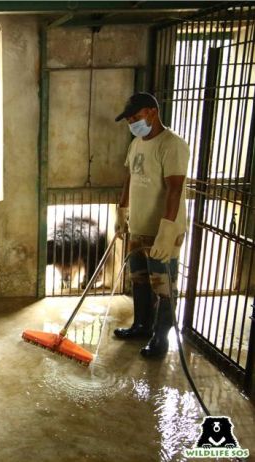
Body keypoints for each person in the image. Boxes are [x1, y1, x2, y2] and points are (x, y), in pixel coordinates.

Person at [112, 92, 189, 358]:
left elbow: (175, 189)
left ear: (152, 112)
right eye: (129, 120)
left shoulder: (172, 144)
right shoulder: (136, 144)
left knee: (163, 287)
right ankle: (142, 326)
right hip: (139, 227)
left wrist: (168, 231)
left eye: (135, 117)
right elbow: (129, 178)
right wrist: (121, 212)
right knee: (140, 281)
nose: (132, 123)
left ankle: (161, 339)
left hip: (162, 230)